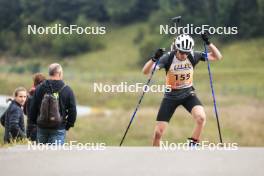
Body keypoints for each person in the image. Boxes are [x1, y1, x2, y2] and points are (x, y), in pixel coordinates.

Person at [142, 33, 222, 146]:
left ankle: (192, 145)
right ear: (177, 49)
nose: (184, 55)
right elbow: (146, 72)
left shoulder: (193, 55)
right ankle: (156, 157)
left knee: (201, 118)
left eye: (187, 52)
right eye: (182, 52)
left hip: (188, 94)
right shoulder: (168, 58)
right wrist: (154, 59)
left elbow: (217, 56)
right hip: (170, 96)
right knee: (157, 133)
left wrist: (208, 43)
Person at [29, 63, 77, 144]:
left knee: (40, 155)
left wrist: (35, 122)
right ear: (59, 73)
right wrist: (67, 125)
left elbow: (33, 108)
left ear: (49, 73)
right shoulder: (67, 90)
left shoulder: (39, 88)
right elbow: (73, 111)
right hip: (59, 127)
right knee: (54, 155)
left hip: (42, 127)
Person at [24, 73, 46, 141]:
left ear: (34, 82)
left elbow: (25, 111)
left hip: (29, 127)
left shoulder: (30, 93)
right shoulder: (42, 95)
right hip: (39, 128)